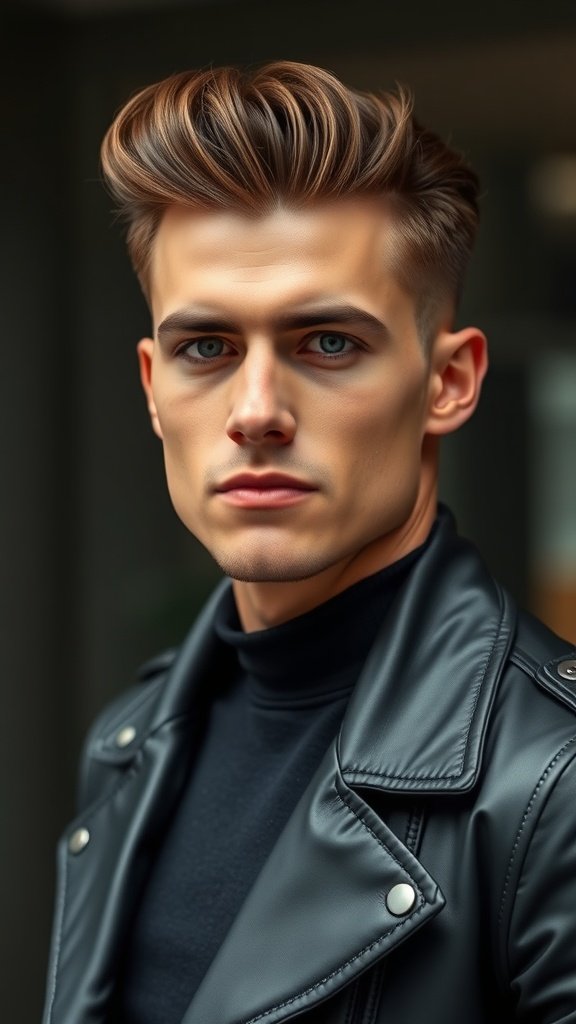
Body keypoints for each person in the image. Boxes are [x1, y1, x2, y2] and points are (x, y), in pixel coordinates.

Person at [42, 61, 576, 1024]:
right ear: (152, 387)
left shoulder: (553, 783)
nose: (255, 413)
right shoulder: (131, 742)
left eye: (328, 343)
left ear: (450, 382)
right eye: (206, 348)